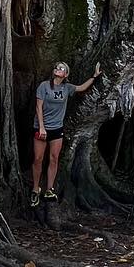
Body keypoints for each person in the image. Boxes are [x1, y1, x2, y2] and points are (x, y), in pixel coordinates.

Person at [31, 60, 100, 207]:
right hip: (41, 128)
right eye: (56, 67)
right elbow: (38, 107)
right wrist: (42, 127)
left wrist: (94, 76)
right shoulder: (44, 86)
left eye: (61, 68)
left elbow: (81, 88)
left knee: (54, 158)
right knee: (38, 158)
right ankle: (36, 189)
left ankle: (49, 189)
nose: (58, 69)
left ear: (66, 74)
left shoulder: (66, 88)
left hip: (57, 128)